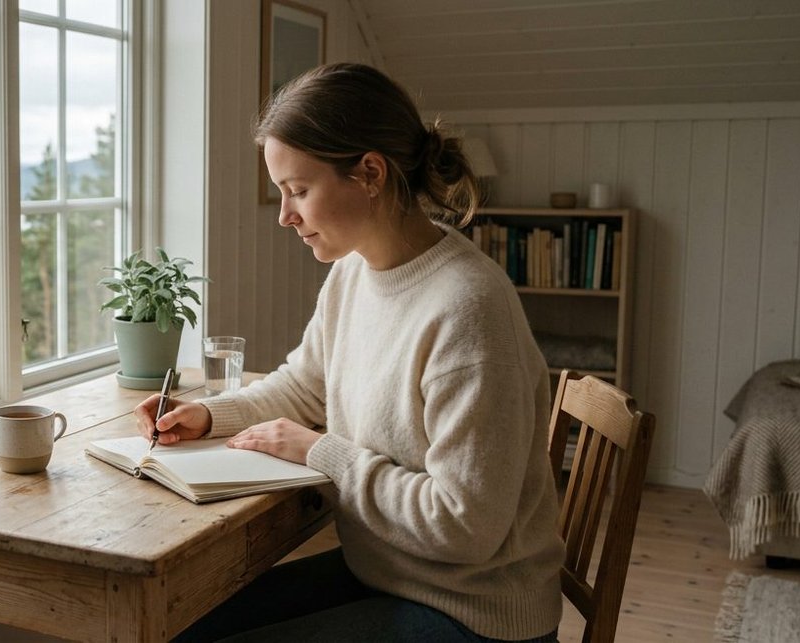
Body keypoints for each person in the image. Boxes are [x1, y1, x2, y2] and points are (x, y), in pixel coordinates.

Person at [133, 63, 564, 642]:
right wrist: (210, 414)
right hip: (390, 574)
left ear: (369, 173)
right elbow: (304, 385)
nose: (286, 215)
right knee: (175, 625)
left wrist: (322, 453)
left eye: (298, 190)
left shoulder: (469, 310)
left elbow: (466, 527)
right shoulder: (354, 272)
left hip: (475, 612)